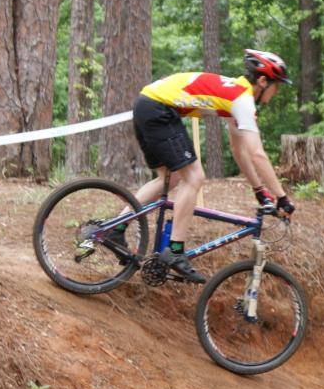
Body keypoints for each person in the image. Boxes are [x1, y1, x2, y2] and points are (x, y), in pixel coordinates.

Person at [113, 49, 297, 283]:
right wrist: (282, 198)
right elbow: (257, 154)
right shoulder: (242, 100)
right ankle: (176, 250)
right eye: (276, 86)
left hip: (147, 103)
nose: (275, 92)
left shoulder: (234, 94)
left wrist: (259, 190)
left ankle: (115, 229)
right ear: (262, 81)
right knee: (194, 177)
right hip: (159, 108)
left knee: (170, 178)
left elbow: (240, 151)